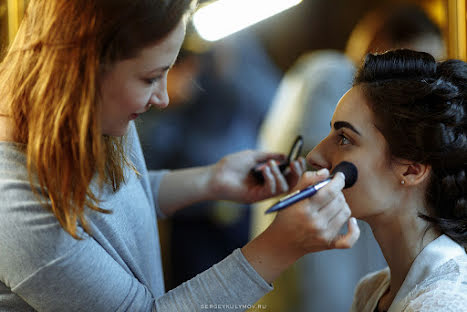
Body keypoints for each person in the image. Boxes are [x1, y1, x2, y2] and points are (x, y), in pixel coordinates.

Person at [0, 0, 360, 311]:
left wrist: (211, 180)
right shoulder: (14, 207)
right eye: (150, 78)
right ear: (83, 68)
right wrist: (280, 246)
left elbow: (115, 202)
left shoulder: (96, 116)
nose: (163, 98)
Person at [255, 4, 446, 311]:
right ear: (380, 48)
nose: (417, 92)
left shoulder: (437, 294)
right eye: (409, 63)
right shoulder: (332, 75)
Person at [307, 49, 467, 311]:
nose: (315, 156)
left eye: (345, 138)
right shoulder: (370, 291)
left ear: (411, 170)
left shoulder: (444, 305)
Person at [136, 33, 281, 290]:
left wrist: (234, 72)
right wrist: (168, 104)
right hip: (192, 213)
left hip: (245, 202)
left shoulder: (240, 42)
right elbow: (146, 153)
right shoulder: (171, 46)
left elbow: (276, 102)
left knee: (248, 295)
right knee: (198, 295)